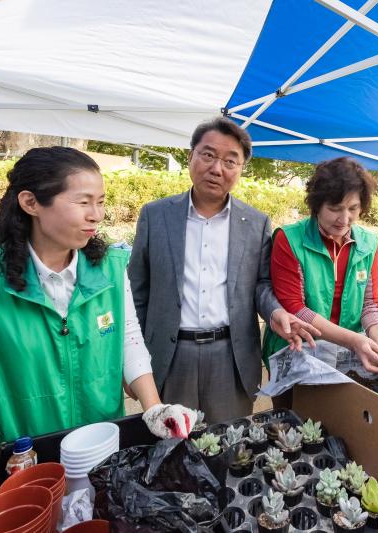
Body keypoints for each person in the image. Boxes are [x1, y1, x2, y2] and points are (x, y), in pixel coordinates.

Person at [0, 147, 193, 533]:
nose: (96, 215)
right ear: (31, 202)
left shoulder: (111, 269)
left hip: (101, 453)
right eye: (83, 202)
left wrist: (152, 407)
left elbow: (128, 341)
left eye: (100, 202)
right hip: (23, 465)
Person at [128, 117, 318, 423]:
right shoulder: (155, 215)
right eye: (208, 155)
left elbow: (261, 285)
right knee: (170, 446)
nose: (217, 168)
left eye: (231, 161)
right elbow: (136, 292)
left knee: (230, 449)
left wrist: (275, 312)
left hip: (231, 356)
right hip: (170, 354)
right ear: (190, 156)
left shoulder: (256, 223)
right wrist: (132, 363)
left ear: (241, 169)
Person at [262, 157, 378, 373]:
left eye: (353, 208)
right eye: (335, 208)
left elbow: (371, 302)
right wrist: (353, 340)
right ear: (317, 206)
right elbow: (295, 308)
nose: (344, 219)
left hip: (347, 352)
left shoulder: (368, 243)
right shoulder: (290, 239)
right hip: (297, 347)